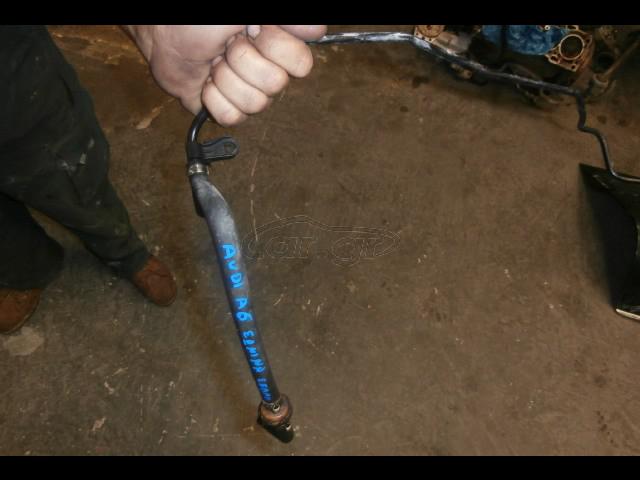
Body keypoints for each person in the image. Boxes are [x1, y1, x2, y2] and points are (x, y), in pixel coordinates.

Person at [0, 25, 327, 334]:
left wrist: (152, 29)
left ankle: (127, 255)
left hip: (20, 97)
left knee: (73, 188)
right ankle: (23, 272)